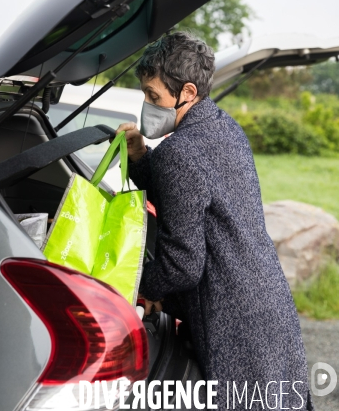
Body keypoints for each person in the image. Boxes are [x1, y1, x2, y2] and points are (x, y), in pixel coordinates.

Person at [116, 32, 314, 411]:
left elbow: (182, 266)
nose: (146, 105)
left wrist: (132, 283)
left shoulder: (180, 151)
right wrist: (141, 157)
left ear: (187, 91)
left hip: (231, 320)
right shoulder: (225, 128)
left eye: (153, 96)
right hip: (268, 306)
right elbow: (185, 195)